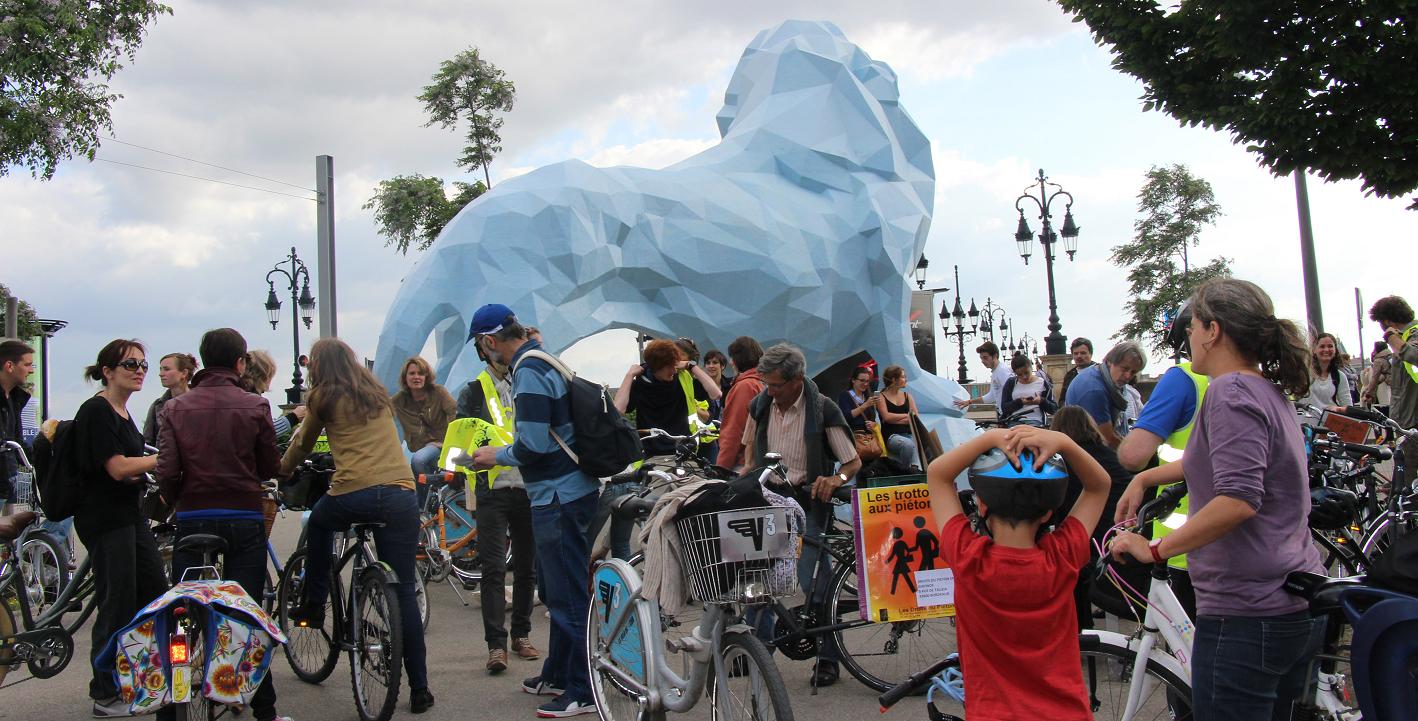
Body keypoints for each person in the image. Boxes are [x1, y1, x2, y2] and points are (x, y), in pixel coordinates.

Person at [1111, 278, 1325, 721]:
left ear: (1214, 331)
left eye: (1191, 326)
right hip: (1290, 598)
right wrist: (1146, 477)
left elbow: (1238, 498)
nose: (1187, 336)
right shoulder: (1264, 389)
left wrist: (1154, 549)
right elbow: (1213, 461)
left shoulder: (1229, 392)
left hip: (1247, 613)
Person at [283, 338, 433, 715]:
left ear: (318, 365)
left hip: (354, 493)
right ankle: (420, 688)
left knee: (318, 523)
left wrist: (280, 470)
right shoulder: (376, 393)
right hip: (400, 495)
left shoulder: (322, 396)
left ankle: (314, 604)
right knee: (401, 593)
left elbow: (302, 444)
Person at [466, 304, 600, 718]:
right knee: (559, 589)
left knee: (566, 594)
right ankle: (558, 671)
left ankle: (582, 687)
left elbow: (534, 444)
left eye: (480, 346)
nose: (484, 354)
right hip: (567, 491)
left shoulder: (525, 372)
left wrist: (495, 455)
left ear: (489, 342)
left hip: (557, 495)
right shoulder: (541, 358)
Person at [925, 425, 1110, 721]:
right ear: (1048, 513)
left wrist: (991, 437)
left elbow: (938, 474)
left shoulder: (967, 557)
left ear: (982, 505)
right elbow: (1100, 485)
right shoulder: (1063, 556)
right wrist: (1064, 441)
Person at [154, 329, 290, 721]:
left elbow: (167, 469)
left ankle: (174, 699)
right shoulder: (254, 405)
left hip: (194, 516)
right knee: (246, 611)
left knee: (182, 609)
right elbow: (269, 466)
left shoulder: (175, 408)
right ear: (240, 363)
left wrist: (176, 498)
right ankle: (263, 709)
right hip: (243, 515)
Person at [741, 343, 861, 687]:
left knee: (813, 582)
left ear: (797, 379)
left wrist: (834, 478)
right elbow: (751, 449)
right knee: (757, 579)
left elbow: (852, 461)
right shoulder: (761, 406)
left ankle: (828, 656)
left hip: (807, 502)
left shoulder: (823, 409)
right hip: (767, 500)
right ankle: (756, 650)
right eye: (768, 384)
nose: (771, 391)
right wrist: (746, 474)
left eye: (777, 385)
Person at [71, 339, 168, 717]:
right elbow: (116, 468)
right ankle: (104, 691)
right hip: (105, 519)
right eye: (130, 364)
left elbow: (133, 464)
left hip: (130, 516)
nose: (140, 370)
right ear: (108, 371)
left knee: (155, 594)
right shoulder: (97, 411)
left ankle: (140, 677)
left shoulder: (123, 412)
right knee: (117, 601)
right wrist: (162, 460)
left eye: (143, 365)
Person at [453, 333, 540, 673]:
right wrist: (471, 459)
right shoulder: (473, 391)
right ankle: (496, 645)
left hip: (528, 487)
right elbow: (458, 446)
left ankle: (521, 634)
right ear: (486, 350)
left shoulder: (529, 380)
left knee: (526, 566)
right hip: (491, 489)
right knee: (492, 567)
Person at [613, 339, 722, 457]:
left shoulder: (683, 377)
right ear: (657, 366)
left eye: (675, 365)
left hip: (683, 451)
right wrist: (630, 375)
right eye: (670, 367)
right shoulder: (641, 384)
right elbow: (618, 410)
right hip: (653, 454)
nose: (674, 370)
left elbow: (716, 394)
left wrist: (692, 366)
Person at [391, 356, 456, 506]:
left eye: (420, 373)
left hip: (441, 445)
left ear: (427, 376)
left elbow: (455, 413)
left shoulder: (439, 392)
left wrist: (453, 441)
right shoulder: (399, 400)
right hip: (420, 447)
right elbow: (380, 411)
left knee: (419, 460)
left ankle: (423, 507)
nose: (416, 377)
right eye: (412, 373)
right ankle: (430, 502)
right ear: (405, 377)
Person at [1369, 295, 1418, 487]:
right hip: (1408, 415)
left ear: (1387, 321)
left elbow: (1414, 355)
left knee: (1409, 479)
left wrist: (1390, 337)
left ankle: (1409, 515)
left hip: (1412, 418)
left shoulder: (1412, 333)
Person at [1063, 340, 1147, 448]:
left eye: (1133, 372)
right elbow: (1108, 438)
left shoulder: (1101, 375)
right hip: (1089, 449)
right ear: (1110, 362)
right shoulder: (1095, 390)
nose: (1128, 376)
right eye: (1125, 368)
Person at [715, 336, 765, 471]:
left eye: (732, 358)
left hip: (741, 464)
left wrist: (720, 468)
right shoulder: (761, 383)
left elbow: (734, 431)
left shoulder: (745, 386)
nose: (731, 362)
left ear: (738, 359)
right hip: (757, 462)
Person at [239, 349, 306, 438]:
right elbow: (264, 432)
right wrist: (293, 418)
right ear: (264, 375)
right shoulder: (253, 402)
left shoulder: (237, 394)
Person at [1, 340, 34, 511]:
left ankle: (45, 537)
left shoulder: (14, 399)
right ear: (9, 366)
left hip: (10, 477)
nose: (31, 370)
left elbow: (17, 441)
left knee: (66, 492)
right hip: (3, 479)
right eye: (27, 364)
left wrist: (47, 460)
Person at [141, 352, 197, 446]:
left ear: (184, 373)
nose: (161, 374)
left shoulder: (201, 403)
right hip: (163, 459)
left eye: (166, 369)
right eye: (161, 369)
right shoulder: (157, 406)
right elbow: (148, 444)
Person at [873, 364, 920, 471]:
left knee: (918, 447)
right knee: (907, 444)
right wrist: (907, 416)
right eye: (903, 377)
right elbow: (886, 417)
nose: (905, 379)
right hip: (891, 435)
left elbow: (915, 417)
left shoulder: (908, 396)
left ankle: (913, 470)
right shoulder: (881, 396)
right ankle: (903, 471)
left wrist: (899, 418)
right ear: (894, 380)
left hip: (909, 433)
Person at [1000, 353, 1057, 425]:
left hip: (1035, 421)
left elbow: (1054, 409)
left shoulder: (1042, 383)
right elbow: (1004, 408)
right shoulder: (1011, 383)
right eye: (1019, 375)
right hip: (1014, 421)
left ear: (1031, 368)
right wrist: (1020, 402)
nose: (1024, 377)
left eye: (1026, 373)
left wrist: (1041, 401)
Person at [1300, 332, 1350, 412]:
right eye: (1322, 346)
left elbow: (1347, 406)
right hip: (1305, 422)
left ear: (1335, 350)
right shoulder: (1303, 372)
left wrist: (1337, 409)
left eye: (1330, 346)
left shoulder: (1340, 376)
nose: (1326, 350)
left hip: (1329, 422)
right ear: (1314, 350)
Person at [955, 341, 1011, 411]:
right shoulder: (996, 372)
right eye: (981, 358)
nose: (983, 361)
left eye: (985, 358)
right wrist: (969, 402)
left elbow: (1012, 392)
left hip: (1010, 414)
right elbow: (991, 396)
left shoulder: (1002, 371)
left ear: (995, 356)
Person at [701, 348, 732, 464]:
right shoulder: (698, 386)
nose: (711, 366)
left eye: (715, 362)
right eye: (708, 363)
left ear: (722, 366)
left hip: (726, 433)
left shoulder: (730, 385)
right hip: (707, 435)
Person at [837, 366, 878, 433]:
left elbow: (873, 418)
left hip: (869, 437)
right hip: (853, 435)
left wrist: (873, 424)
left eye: (867, 381)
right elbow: (847, 416)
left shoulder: (867, 396)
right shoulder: (845, 395)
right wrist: (865, 405)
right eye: (862, 380)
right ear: (853, 380)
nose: (865, 384)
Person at [1058, 337, 1096, 404]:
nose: (1079, 356)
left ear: (1091, 354)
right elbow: (1063, 400)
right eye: (1076, 353)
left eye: (1083, 353)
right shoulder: (1069, 375)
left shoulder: (1099, 372)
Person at [1361, 340, 1391, 407]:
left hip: (1382, 389)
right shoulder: (1392, 357)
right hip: (1395, 386)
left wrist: (1368, 393)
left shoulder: (1378, 360)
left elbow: (1375, 378)